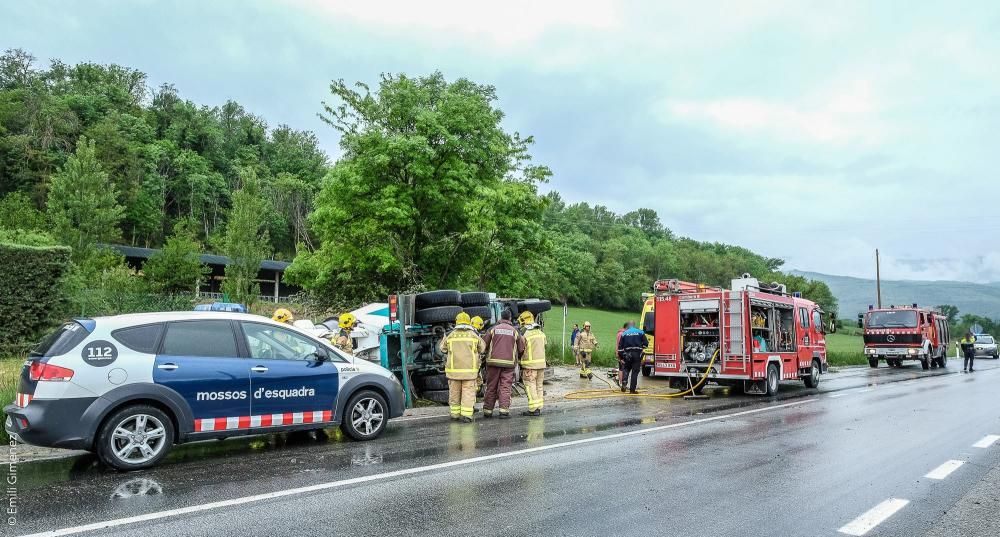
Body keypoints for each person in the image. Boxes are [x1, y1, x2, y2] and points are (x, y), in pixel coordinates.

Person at [438, 312, 486, 422]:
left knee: (454, 393)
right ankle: (467, 416)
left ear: (456, 321)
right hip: (469, 372)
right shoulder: (474, 335)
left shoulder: (451, 335)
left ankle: (455, 415)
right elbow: (482, 348)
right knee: (468, 393)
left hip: (454, 372)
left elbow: (442, 349)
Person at [480, 310, 524, 419]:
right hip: (509, 364)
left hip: (493, 363)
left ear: (501, 317)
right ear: (509, 318)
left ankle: (488, 411)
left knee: (491, 386)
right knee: (505, 387)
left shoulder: (493, 329)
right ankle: (503, 411)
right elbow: (521, 347)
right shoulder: (515, 331)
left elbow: (484, 344)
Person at [518, 311, 547, 416]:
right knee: (539, 386)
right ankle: (538, 407)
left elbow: (520, 349)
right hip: (541, 366)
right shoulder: (541, 333)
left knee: (531, 386)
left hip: (530, 366)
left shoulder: (526, 335)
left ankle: (533, 409)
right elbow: (544, 346)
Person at [618, 321, 647, 393]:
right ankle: (632, 390)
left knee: (626, 369)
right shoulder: (640, 332)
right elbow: (646, 344)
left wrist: (622, 357)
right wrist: (641, 348)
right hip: (637, 354)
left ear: (628, 326)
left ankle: (624, 381)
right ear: (634, 325)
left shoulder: (624, 333)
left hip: (627, 354)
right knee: (635, 372)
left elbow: (620, 348)